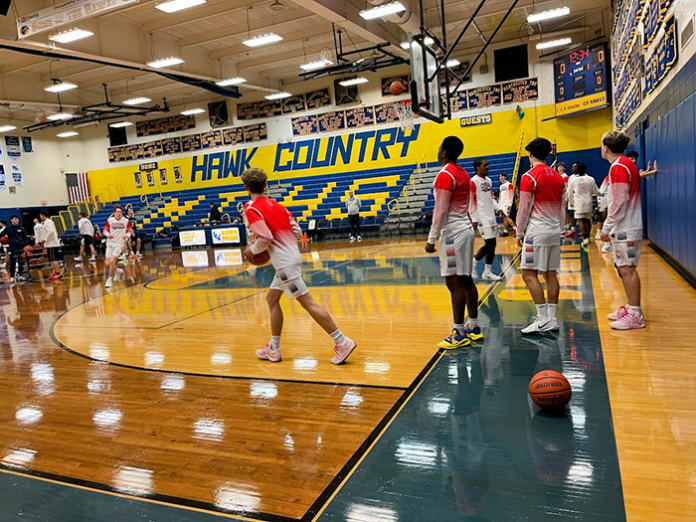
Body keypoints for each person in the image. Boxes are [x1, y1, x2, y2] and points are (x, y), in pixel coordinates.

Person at [241, 168, 356, 364]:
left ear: (246, 188)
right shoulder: (279, 207)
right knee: (271, 298)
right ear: (266, 185)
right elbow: (296, 231)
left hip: (285, 265)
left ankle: (342, 341)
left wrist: (252, 250)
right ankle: (274, 348)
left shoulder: (251, 208)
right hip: (291, 258)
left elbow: (265, 237)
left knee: (308, 302)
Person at [424, 136, 482, 349]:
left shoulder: (445, 174)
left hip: (452, 233)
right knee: (466, 280)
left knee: (454, 283)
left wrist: (431, 238)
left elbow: (440, 210)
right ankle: (473, 326)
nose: (438, 151)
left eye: (440, 148)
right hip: (465, 228)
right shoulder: (463, 172)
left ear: (444, 152)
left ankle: (458, 332)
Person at [516, 137, 566, 334]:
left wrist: (519, 232)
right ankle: (552, 319)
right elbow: (562, 209)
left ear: (530, 155)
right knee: (550, 273)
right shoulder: (559, 178)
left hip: (536, 232)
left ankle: (543, 318)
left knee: (529, 274)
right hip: (554, 230)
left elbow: (524, 208)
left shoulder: (529, 177)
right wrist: (560, 228)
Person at [600, 131, 645, 330]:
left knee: (627, 269)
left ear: (606, 148)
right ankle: (630, 306)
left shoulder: (619, 166)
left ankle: (635, 314)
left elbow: (618, 202)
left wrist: (606, 228)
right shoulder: (625, 164)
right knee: (624, 268)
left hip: (626, 226)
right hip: (626, 225)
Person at [471, 158, 502, 280]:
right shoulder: (473, 181)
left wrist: (498, 208)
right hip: (482, 217)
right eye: (485, 165)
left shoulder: (489, 180)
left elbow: (492, 197)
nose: (487, 167)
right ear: (477, 167)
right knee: (490, 243)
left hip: (491, 216)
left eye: (488, 165)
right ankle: (473, 265)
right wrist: (474, 218)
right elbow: (470, 201)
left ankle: (487, 272)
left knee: (492, 245)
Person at [568, 163, 599, 247]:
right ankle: (588, 237)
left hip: (578, 203)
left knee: (581, 220)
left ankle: (585, 238)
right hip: (588, 202)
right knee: (588, 220)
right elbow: (596, 191)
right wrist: (601, 195)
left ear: (577, 170)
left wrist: (571, 203)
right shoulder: (590, 179)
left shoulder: (573, 180)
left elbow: (570, 193)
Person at [103, 205, 132, 288]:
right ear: (114, 213)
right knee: (108, 263)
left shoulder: (126, 221)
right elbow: (105, 230)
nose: (119, 213)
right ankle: (117, 271)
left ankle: (109, 279)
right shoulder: (110, 221)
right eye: (118, 212)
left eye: (120, 212)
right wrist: (108, 235)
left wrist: (127, 235)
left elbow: (130, 230)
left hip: (119, 244)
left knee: (112, 260)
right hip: (110, 244)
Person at [0, 215, 29, 284]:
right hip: (12, 248)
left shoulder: (21, 228)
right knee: (12, 263)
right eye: (15, 219)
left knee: (21, 262)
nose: (17, 220)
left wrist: (26, 246)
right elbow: (1, 236)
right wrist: (3, 241)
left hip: (21, 247)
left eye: (18, 219)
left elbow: (25, 238)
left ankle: (21, 275)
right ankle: (12, 277)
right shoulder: (8, 229)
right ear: (11, 220)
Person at [39, 210, 63, 281]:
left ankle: (57, 273)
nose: (40, 217)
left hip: (52, 244)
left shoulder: (47, 222)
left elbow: (51, 231)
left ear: (43, 215)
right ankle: (56, 272)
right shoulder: (49, 222)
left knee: (53, 259)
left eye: (40, 215)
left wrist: (45, 239)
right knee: (53, 259)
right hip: (52, 244)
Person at [497, 172, 516, 236]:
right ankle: (505, 232)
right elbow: (500, 197)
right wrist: (499, 205)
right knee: (504, 218)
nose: (501, 178)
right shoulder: (500, 186)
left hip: (507, 204)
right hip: (502, 204)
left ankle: (516, 229)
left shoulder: (509, 184)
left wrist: (509, 204)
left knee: (507, 217)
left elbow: (511, 195)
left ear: (505, 177)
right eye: (500, 176)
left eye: (502, 176)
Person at [564, 162, 580, 237]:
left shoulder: (585, 176)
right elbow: (569, 188)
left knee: (582, 216)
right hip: (572, 198)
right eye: (573, 167)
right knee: (572, 214)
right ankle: (573, 230)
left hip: (581, 198)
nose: (574, 168)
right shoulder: (571, 177)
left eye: (575, 167)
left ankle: (585, 232)